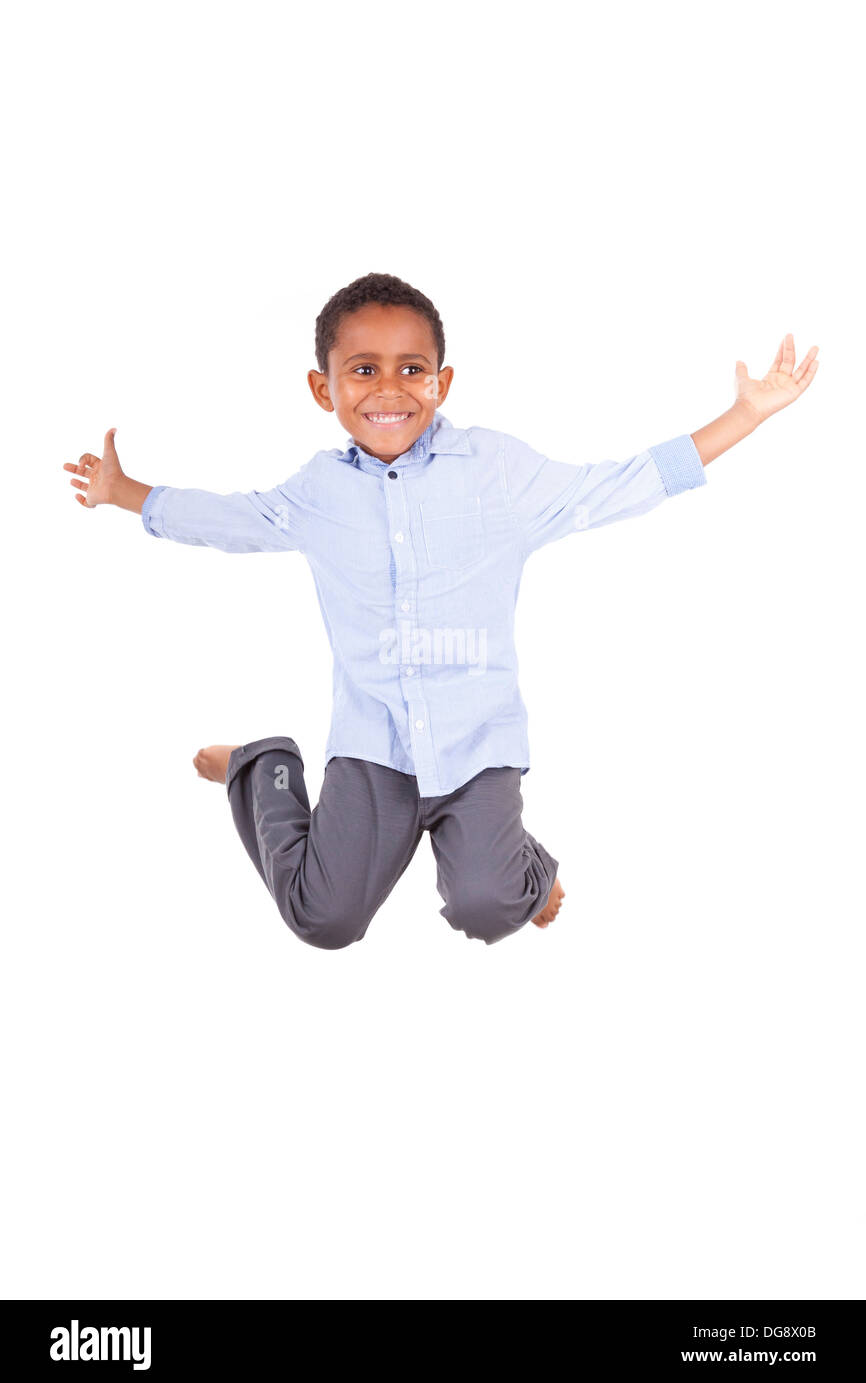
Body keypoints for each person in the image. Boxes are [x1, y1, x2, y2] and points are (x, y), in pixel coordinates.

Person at [63, 273, 819, 949]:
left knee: (489, 908)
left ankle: (521, 863)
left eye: (411, 369)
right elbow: (235, 520)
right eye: (363, 370)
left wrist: (744, 417)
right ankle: (263, 766)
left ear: (442, 382)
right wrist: (126, 494)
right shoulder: (319, 494)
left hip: (477, 748)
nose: (388, 389)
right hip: (374, 748)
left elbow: (615, 485)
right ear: (323, 389)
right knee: (324, 921)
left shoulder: (495, 472)